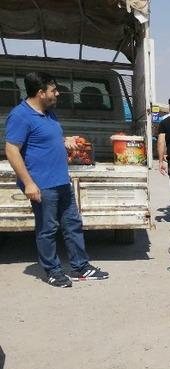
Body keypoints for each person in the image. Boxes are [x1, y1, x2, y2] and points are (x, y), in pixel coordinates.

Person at [3, 72, 109, 287]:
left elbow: (44, 138)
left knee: (72, 224)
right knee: (47, 229)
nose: (57, 93)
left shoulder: (49, 113)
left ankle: (81, 267)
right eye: (53, 90)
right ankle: (53, 271)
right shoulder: (20, 115)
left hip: (61, 180)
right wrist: (29, 183)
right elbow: (12, 150)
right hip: (42, 184)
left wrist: (64, 140)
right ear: (41, 93)